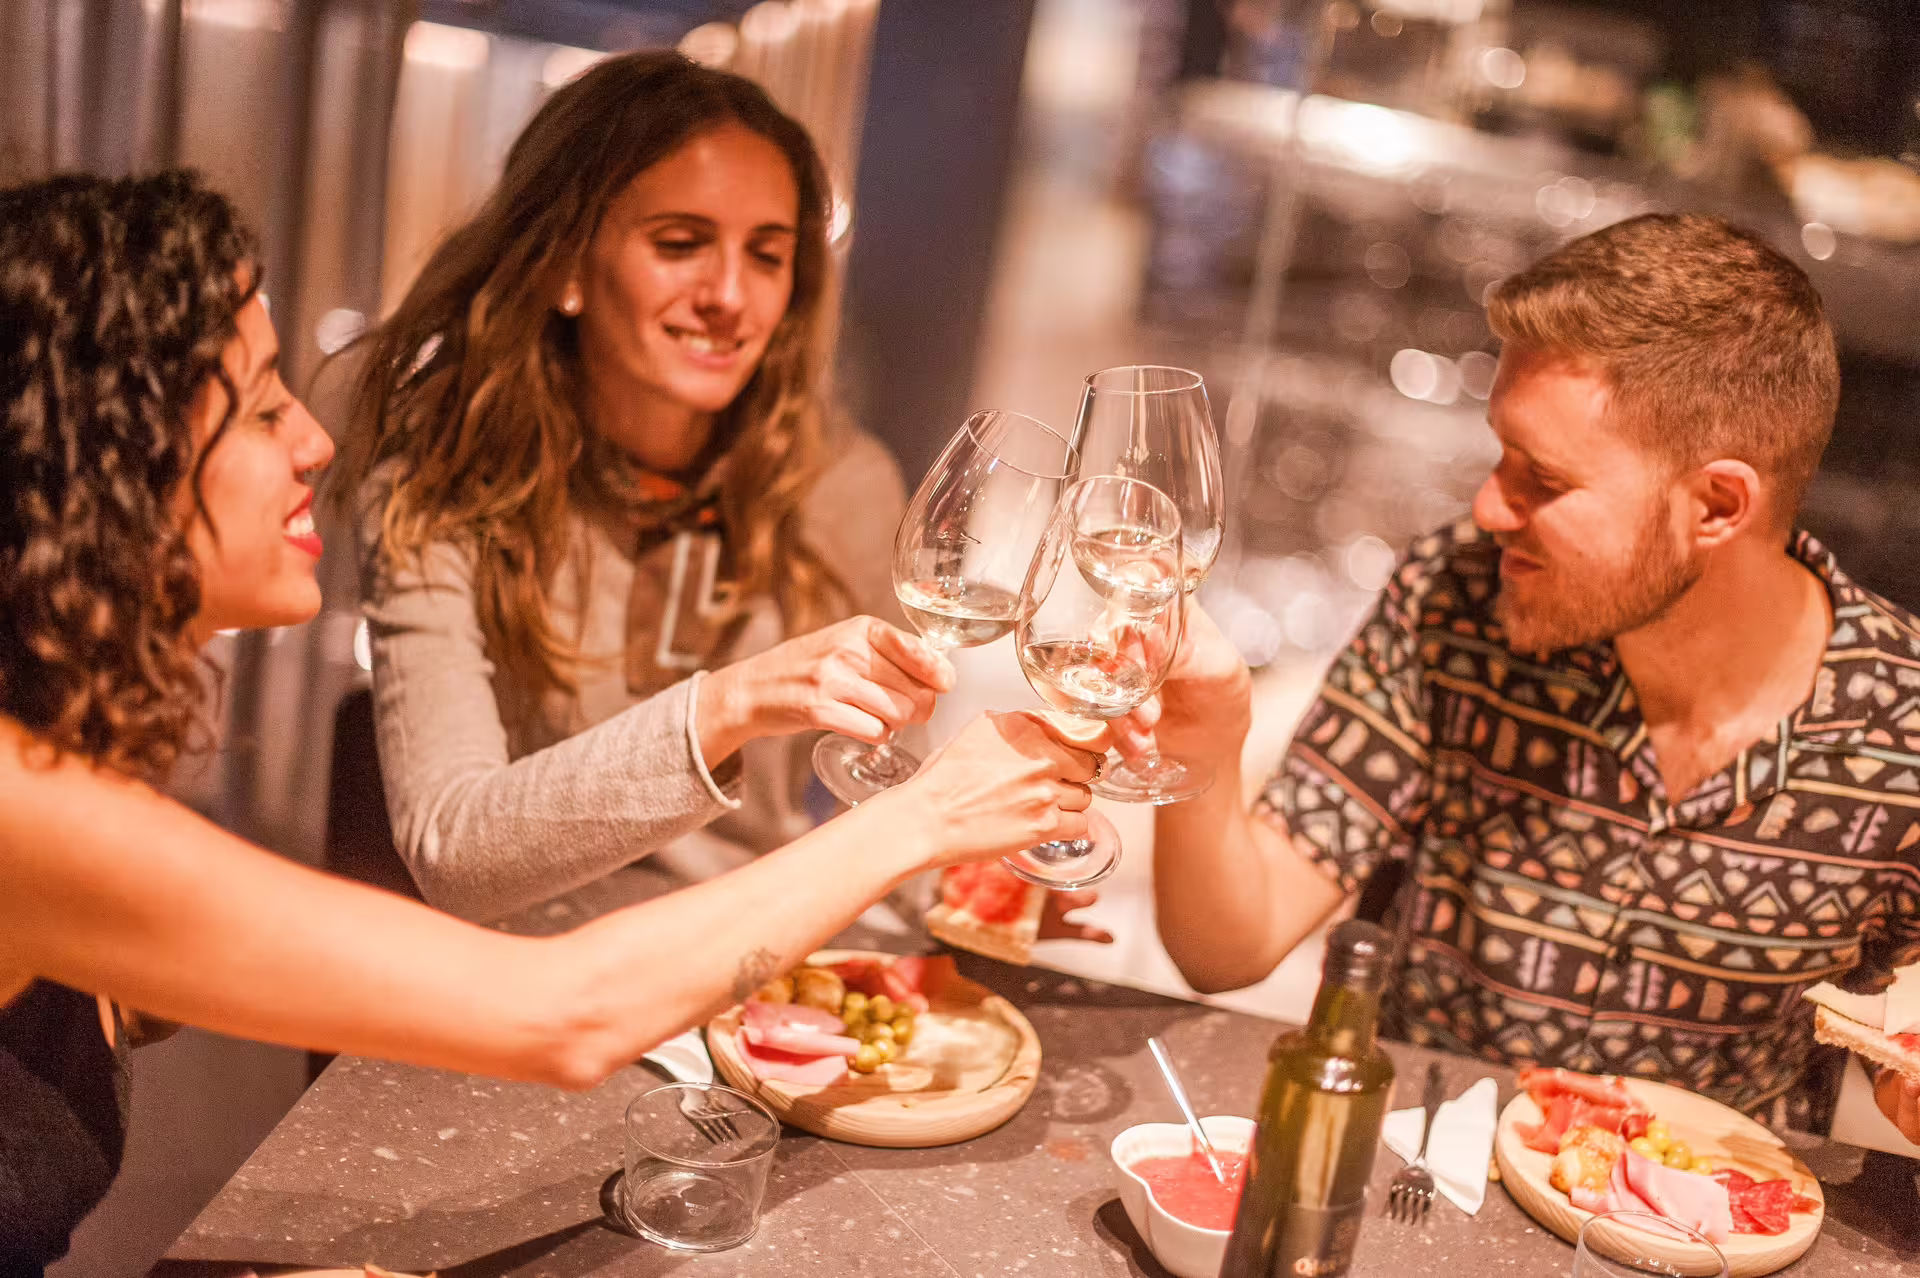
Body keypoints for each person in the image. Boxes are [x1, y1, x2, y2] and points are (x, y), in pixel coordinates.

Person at [0, 170, 1108, 1274]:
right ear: (103, 466)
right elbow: (565, 1016)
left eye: (770, 254)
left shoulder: (63, 752)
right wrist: (924, 818)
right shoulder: (27, 809)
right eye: (254, 406)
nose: (313, 443)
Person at [1150, 213, 1920, 1139]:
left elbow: (1899, 1042)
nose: (1487, 505)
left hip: (1707, 1227)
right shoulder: (1455, 601)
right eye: (1498, 453)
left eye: (1542, 480)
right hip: (1414, 1184)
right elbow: (1228, 944)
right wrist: (1203, 738)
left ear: (1717, 504)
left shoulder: (1902, 731)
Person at [329, 50, 1048, 929]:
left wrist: (956, 893)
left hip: (751, 968)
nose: (730, 297)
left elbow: (886, 776)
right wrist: (731, 704)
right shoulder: (440, 478)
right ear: (564, 265)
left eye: (768, 255)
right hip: (516, 982)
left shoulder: (841, 481)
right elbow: (456, 851)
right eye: (680, 244)